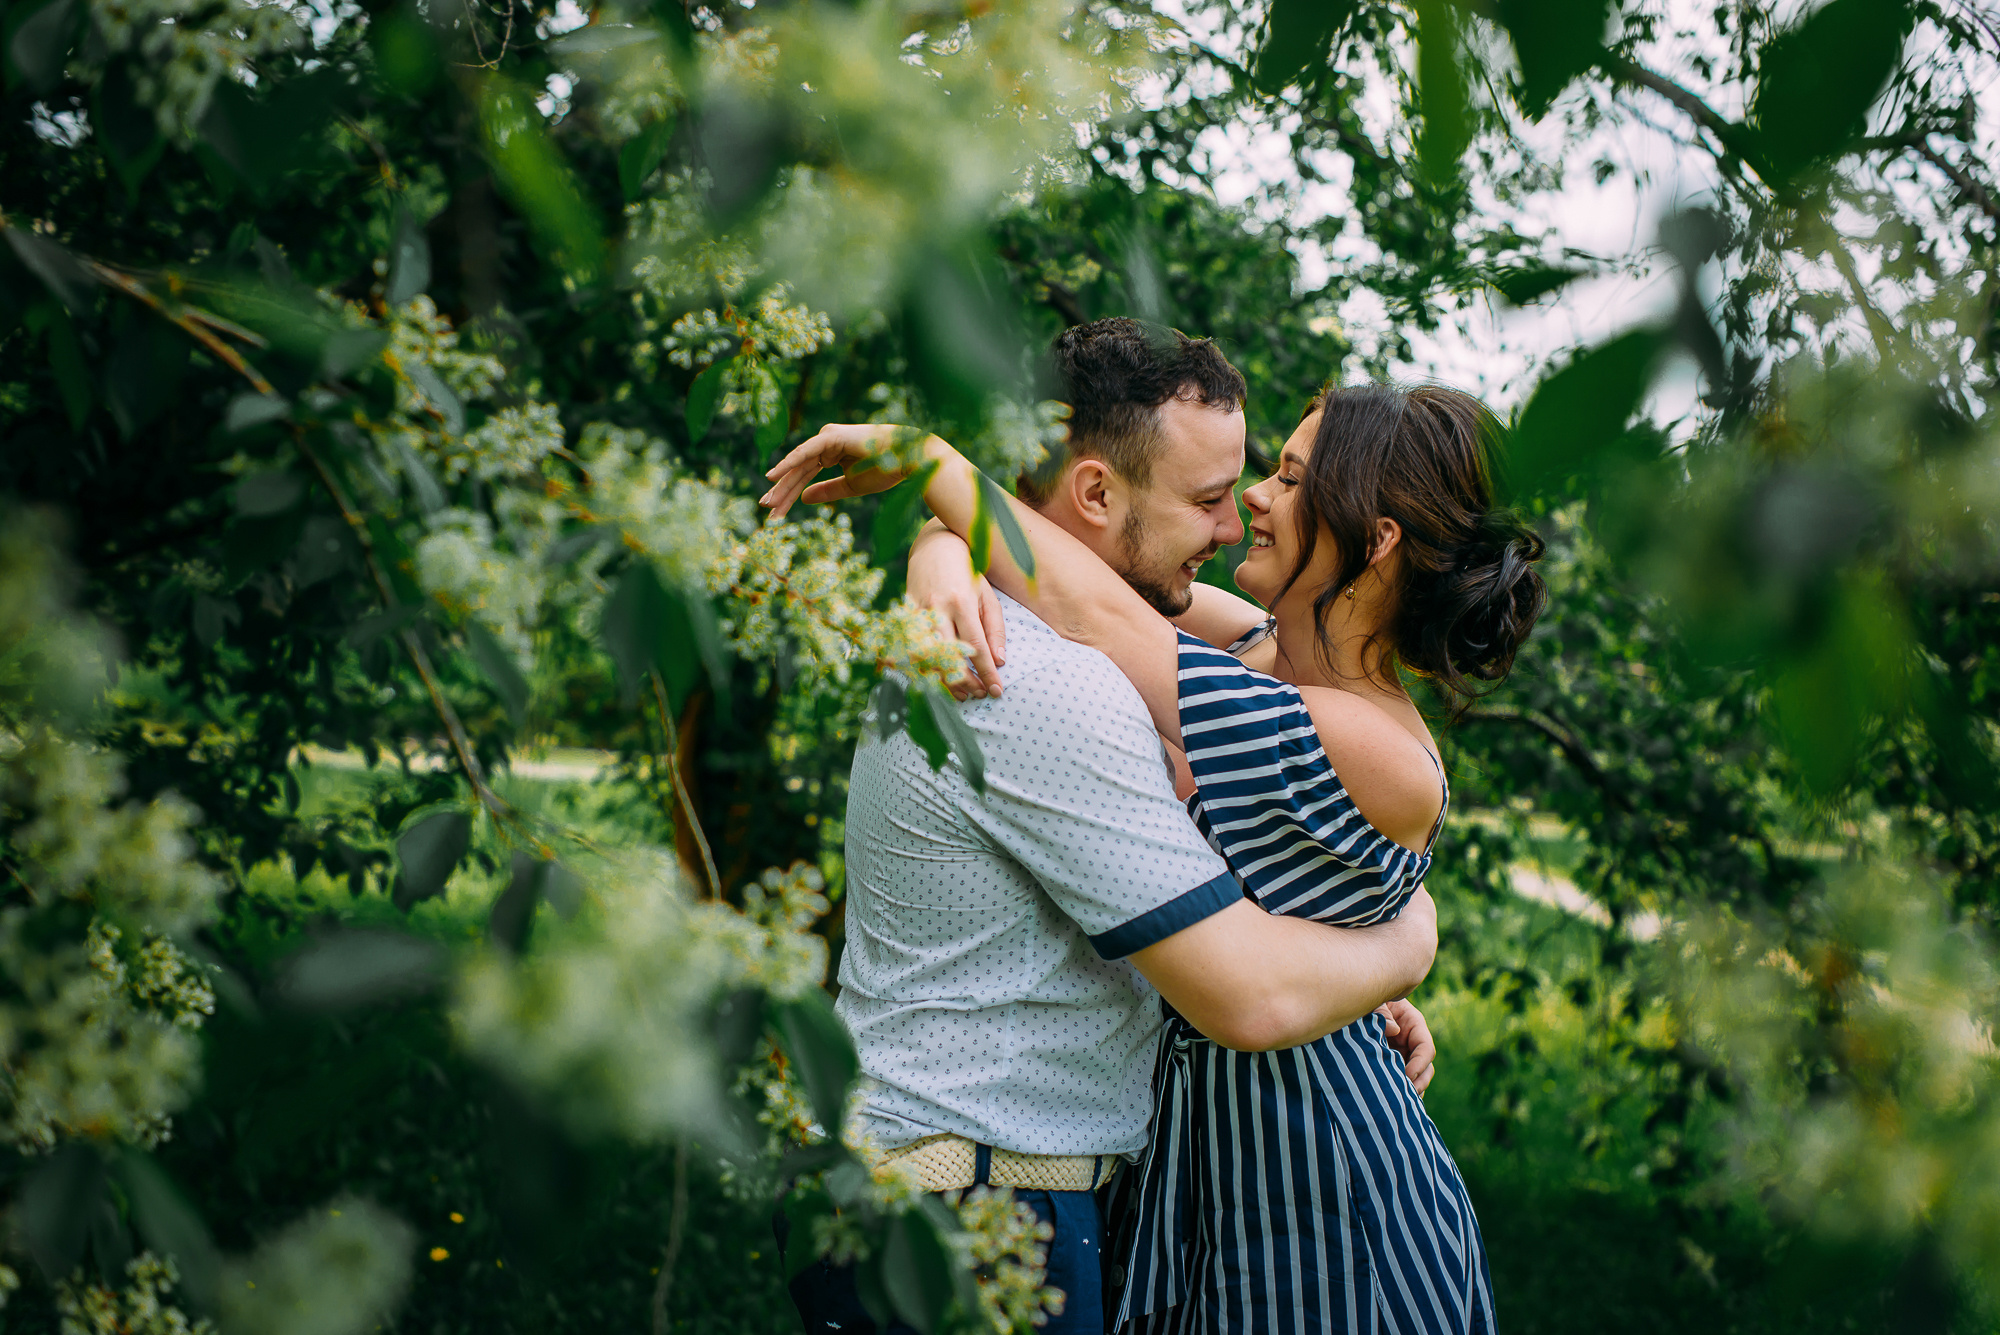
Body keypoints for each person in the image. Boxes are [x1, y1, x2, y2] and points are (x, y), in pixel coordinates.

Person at [764, 356, 1547, 1334]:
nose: (1251, 503)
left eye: (1290, 481)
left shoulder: (1370, 746)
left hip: (1316, 1186)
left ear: (1375, 541)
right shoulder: (1260, 647)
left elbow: (1094, 612)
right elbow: (1070, 569)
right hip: (1188, 1182)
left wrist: (929, 464)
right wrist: (941, 547)